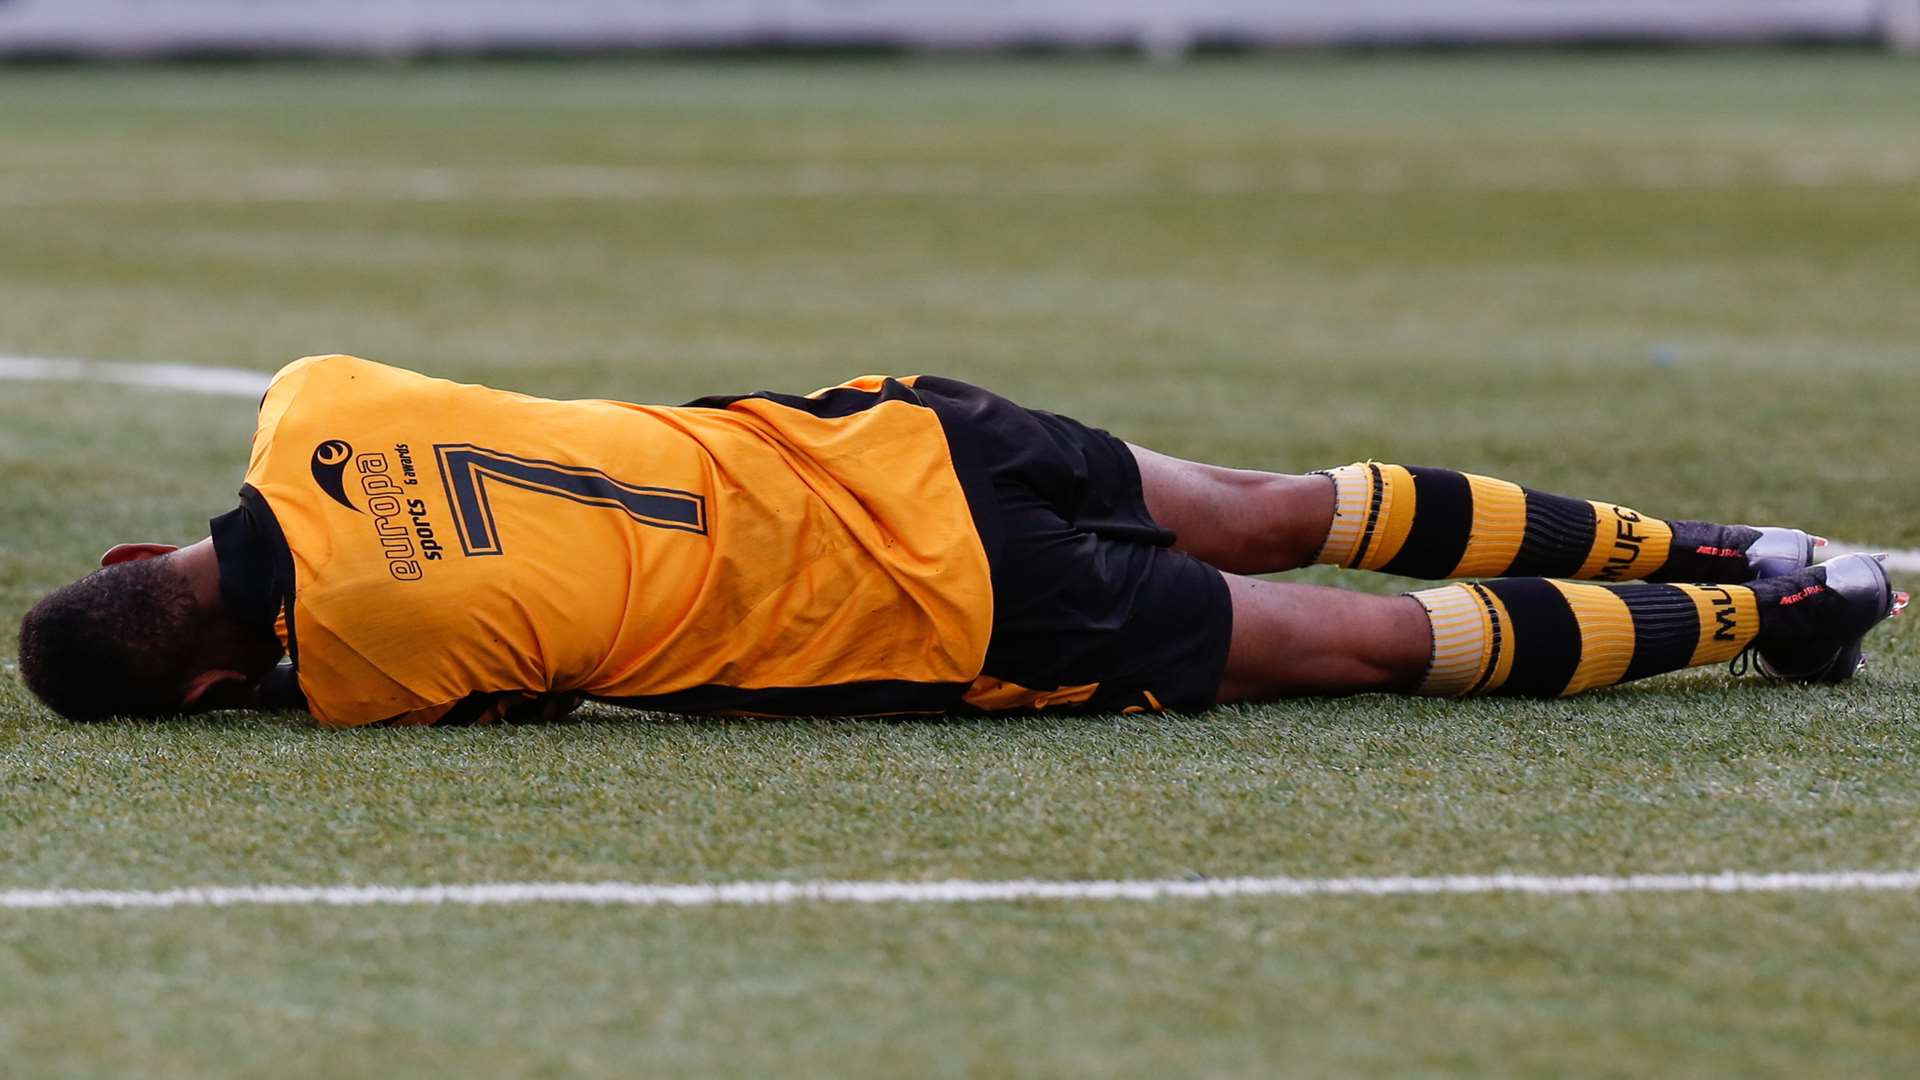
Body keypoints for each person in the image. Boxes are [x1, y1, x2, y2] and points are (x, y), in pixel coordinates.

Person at [17, 355, 1906, 727]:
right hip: (903, 433)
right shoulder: (305, 396)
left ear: (200, 673)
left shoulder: (356, 678)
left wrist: (249, 677)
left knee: (1353, 645)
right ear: (123, 557)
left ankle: (1775, 622)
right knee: (1285, 504)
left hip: (934, 600)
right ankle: (1720, 538)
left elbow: (418, 667)